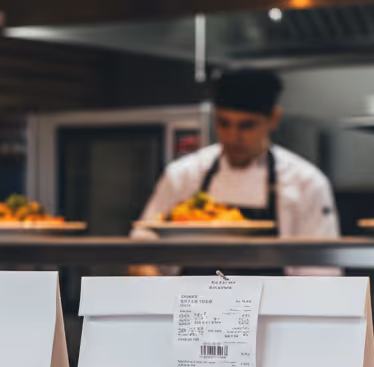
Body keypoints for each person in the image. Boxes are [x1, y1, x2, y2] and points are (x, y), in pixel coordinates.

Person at [132, 69, 339, 275]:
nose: (232, 137)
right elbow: (140, 248)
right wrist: (153, 284)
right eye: (224, 123)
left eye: (246, 126)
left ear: (273, 119)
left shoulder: (307, 183)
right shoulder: (183, 175)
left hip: (271, 297)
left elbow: (320, 272)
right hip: (192, 296)